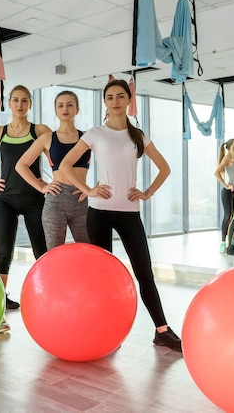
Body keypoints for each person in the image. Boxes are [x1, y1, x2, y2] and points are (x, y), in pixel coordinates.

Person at [59, 79, 181, 352]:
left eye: (120, 96)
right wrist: (88, 189)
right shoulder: (95, 133)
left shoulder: (138, 135)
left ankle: (162, 330)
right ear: (105, 102)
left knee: (144, 273)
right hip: (99, 213)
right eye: (110, 97)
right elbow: (66, 165)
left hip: (129, 214)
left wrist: (147, 192)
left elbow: (164, 167)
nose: (115, 101)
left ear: (128, 101)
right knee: (102, 277)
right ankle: (100, 328)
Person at [0, 85, 51, 331]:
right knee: (3, 253)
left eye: (25, 100)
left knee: (42, 253)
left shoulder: (40, 131)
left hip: (35, 200)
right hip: (5, 200)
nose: (20, 104)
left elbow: (56, 157)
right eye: (16, 100)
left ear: (30, 104)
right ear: (9, 103)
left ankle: (49, 304)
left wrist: (50, 183)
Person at [15, 90, 91, 250]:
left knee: (88, 249)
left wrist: (93, 188)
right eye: (60, 105)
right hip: (56, 200)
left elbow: (108, 160)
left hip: (80, 199)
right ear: (56, 110)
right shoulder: (48, 138)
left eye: (70, 105)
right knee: (54, 251)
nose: (65, 108)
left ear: (77, 110)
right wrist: (42, 187)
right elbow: (21, 165)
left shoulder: (87, 137)